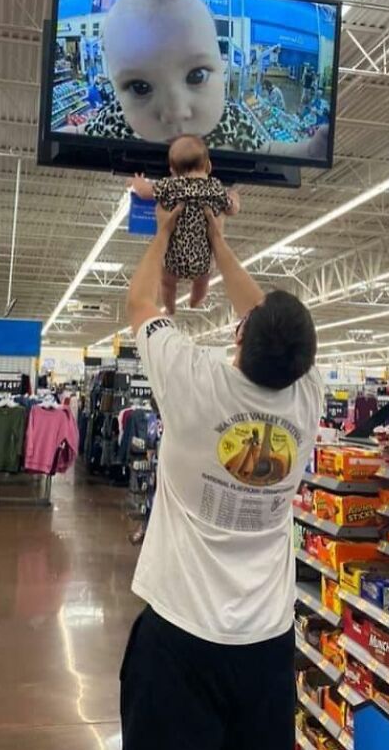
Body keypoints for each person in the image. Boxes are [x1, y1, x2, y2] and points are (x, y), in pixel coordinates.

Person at [121, 202, 324, 750]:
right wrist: (219, 244)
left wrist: (168, 232)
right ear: (308, 359)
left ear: (240, 335)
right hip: (267, 642)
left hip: (178, 638)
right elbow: (266, 320)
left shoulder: (193, 380)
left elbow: (141, 302)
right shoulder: (309, 397)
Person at [62, 0, 328, 160]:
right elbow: (80, 133)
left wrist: (309, 149)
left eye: (196, 76)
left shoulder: (230, 120)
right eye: (140, 87)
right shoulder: (116, 119)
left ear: (222, 68)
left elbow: (267, 148)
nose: (176, 111)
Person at [130, 135, 240, 314]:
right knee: (202, 282)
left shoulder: (169, 186)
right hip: (202, 261)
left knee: (167, 283)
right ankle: (195, 301)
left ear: (172, 170)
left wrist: (138, 182)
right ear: (208, 165)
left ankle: (170, 306)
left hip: (173, 260)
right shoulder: (215, 188)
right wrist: (234, 196)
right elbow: (232, 209)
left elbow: (144, 192)